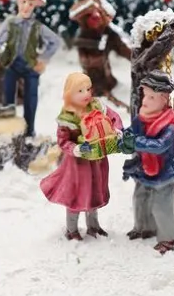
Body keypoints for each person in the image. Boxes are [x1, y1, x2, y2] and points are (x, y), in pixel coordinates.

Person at [122, 71, 174, 254]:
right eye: (145, 95)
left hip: (164, 172)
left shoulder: (169, 125)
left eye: (151, 97)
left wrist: (135, 142)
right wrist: (123, 138)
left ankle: (170, 239)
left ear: (164, 99)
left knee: (160, 207)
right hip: (143, 168)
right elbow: (130, 133)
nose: (145, 101)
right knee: (140, 199)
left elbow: (159, 146)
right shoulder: (141, 118)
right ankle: (144, 227)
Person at [40, 72, 127, 240]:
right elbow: (63, 141)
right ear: (69, 94)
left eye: (88, 89)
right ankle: (71, 229)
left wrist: (116, 130)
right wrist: (77, 148)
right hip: (78, 166)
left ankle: (93, 226)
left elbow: (113, 117)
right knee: (76, 195)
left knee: (94, 192)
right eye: (80, 91)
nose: (86, 94)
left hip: (97, 160)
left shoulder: (97, 105)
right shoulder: (68, 116)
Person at [0, 0, 63, 137]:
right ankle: (9, 129)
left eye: (31, 4)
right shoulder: (10, 23)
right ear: (18, 2)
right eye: (23, 2)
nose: (26, 7)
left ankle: (29, 130)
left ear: (34, 6)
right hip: (11, 64)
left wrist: (43, 59)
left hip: (30, 66)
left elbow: (55, 41)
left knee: (31, 98)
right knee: (7, 97)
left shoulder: (37, 26)